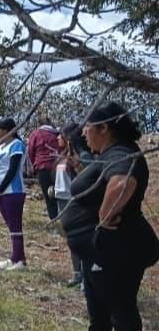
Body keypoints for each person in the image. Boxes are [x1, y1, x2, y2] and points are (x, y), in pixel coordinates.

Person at [62, 103, 159, 331]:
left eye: (88, 128)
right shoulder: (108, 155)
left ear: (104, 128)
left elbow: (121, 183)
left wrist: (105, 217)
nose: (84, 133)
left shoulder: (122, 154)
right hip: (100, 248)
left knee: (119, 300)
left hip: (120, 246)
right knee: (97, 293)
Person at [53, 122, 91, 287]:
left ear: (69, 137)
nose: (57, 138)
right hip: (62, 199)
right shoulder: (63, 155)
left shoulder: (83, 155)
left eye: (60, 135)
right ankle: (77, 274)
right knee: (71, 239)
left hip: (75, 200)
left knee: (81, 238)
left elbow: (89, 178)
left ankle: (86, 277)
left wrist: (78, 166)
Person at [0, 118, 28, 270]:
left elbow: (13, 170)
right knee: (11, 225)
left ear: (6, 131)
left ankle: (19, 260)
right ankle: (16, 257)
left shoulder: (17, 145)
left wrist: (0, 189)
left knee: (15, 225)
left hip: (13, 191)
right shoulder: (0, 147)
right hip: (0, 192)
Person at [27, 115, 60, 220]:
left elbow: (31, 151)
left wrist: (34, 164)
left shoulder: (36, 134)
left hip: (42, 166)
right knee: (59, 192)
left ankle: (53, 218)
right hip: (57, 166)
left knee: (48, 195)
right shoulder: (57, 134)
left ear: (39, 124)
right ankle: (62, 215)